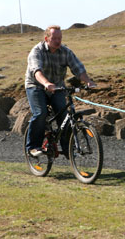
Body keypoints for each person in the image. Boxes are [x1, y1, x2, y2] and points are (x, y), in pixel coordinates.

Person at [25, 25, 96, 158]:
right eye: (55, 38)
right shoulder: (37, 51)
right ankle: (33, 147)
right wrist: (46, 83)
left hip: (57, 87)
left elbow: (78, 69)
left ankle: (68, 149)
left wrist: (88, 81)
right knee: (41, 113)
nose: (58, 41)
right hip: (36, 86)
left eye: (60, 38)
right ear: (47, 38)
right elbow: (36, 71)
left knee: (65, 116)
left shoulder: (65, 52)